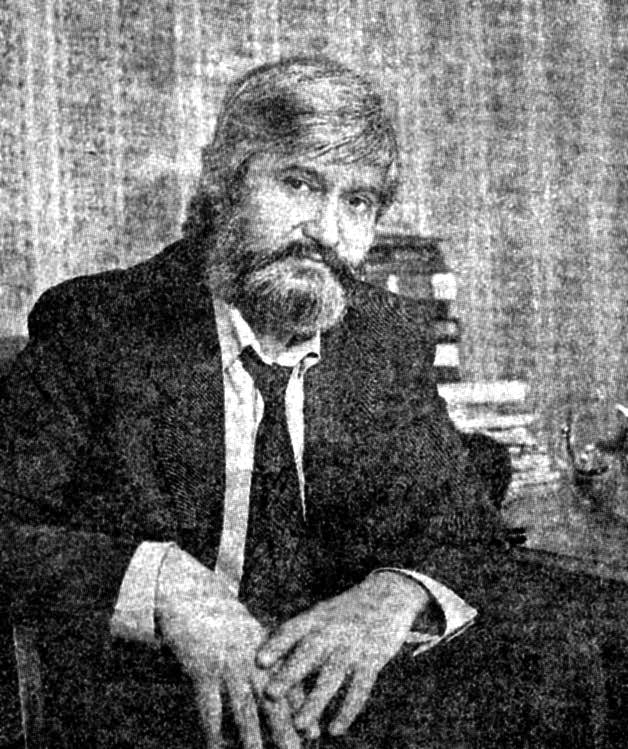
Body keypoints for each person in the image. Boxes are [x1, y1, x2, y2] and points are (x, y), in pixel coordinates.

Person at [0, 56, 624, 748]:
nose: (326, 230)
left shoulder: (382, 335)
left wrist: (397, 591)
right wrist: (166, 585)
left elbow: (459, 511)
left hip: (337, 704)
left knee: (572, 652)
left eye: (357, 202)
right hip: (160, 707)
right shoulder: (98, 326)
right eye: (299, 184)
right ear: (224, 182)